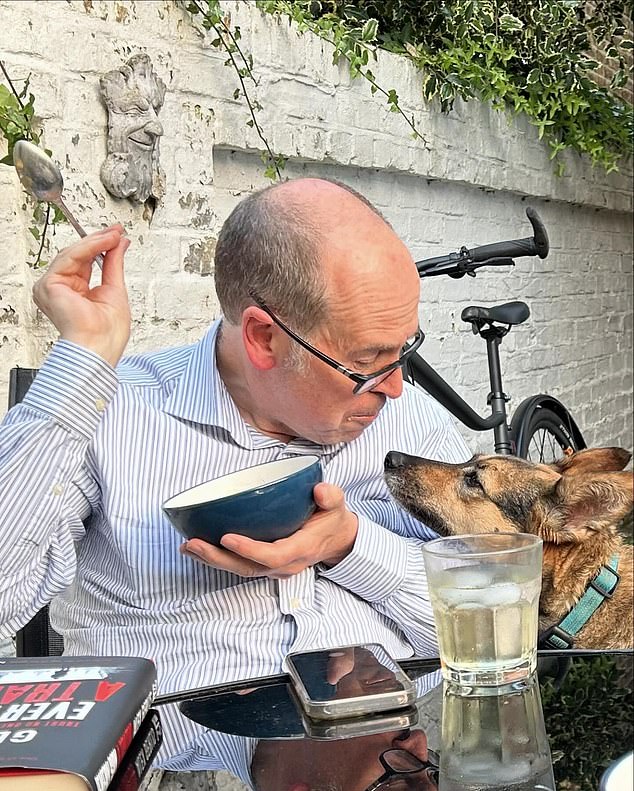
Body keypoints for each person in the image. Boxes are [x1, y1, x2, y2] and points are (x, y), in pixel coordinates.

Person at [0, 177, 470, 768]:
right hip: (183, 766)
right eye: (368, 362)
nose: (398, 387)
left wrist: (351, 547)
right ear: (263, 338)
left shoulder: (410, 423)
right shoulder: (113, 416)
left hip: (401, 736)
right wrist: (82, 364)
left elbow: (490, 618)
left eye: (405, 349)